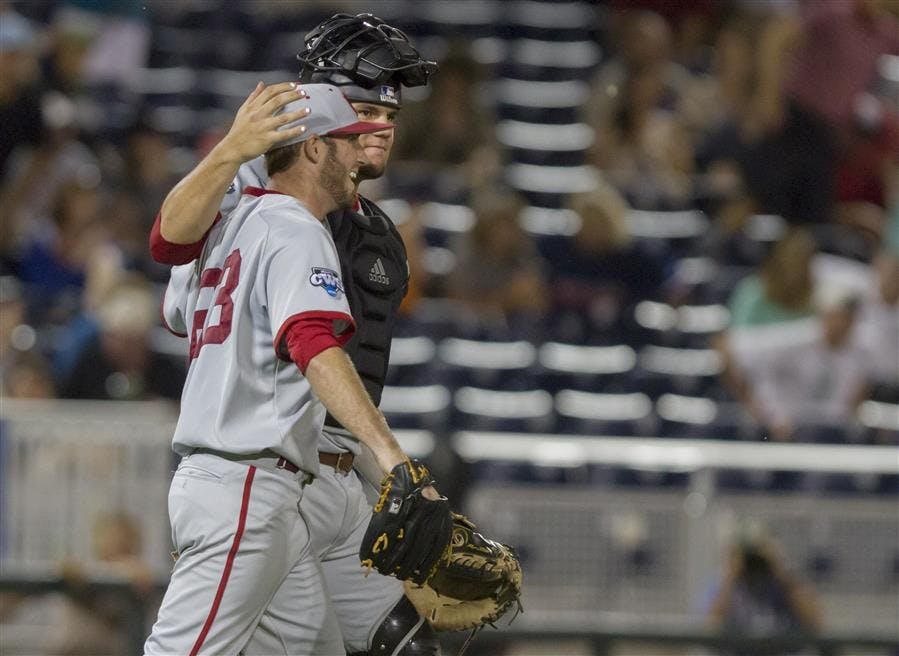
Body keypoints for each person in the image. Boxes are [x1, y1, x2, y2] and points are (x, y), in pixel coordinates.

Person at [147, 15, 445, 655]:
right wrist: (395, 461)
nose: (378, 129)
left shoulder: (332, 225)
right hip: (256, 470)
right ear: (312, 127)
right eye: (362, 113)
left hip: (305, 468)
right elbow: (170, 249)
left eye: (388, 114)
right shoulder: (259, 204)